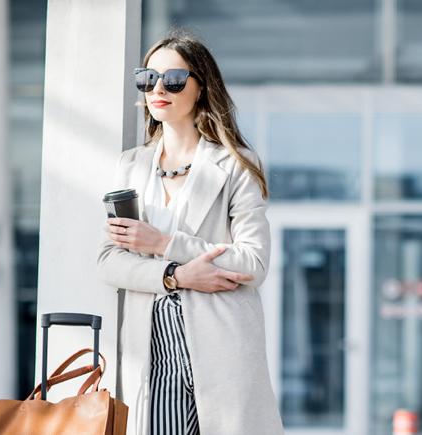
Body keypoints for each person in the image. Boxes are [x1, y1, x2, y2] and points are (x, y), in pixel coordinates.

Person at [97, 31, 284, 435]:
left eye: (174, 80)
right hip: (152, 352)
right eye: (148, 78)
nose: (158, 89)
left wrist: (165, 244)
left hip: (221, 351)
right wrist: (176, 275)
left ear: (200, 89)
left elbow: (253, 262)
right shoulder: (131, 165)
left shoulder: (235, 164)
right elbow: (110, 259)